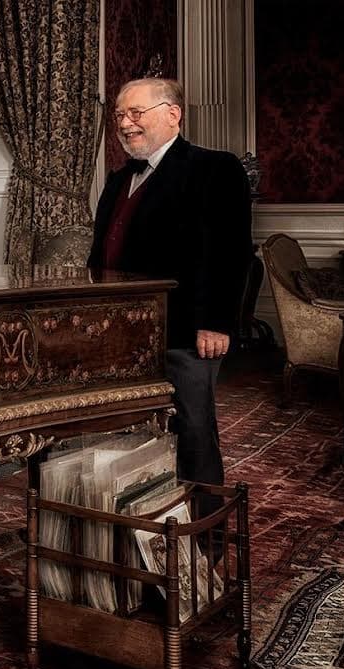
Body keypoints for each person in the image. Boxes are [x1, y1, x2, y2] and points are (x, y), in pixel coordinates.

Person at [87, 78, 252, 501]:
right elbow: (101, 254)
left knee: (193, 428)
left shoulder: (214, 168)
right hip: (119, 331)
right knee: (124, 434)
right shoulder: (118, 179)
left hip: (184, 330)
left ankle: (204, 537)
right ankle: (143, 523)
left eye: (135, 113)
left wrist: (216, 323)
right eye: (120, 115)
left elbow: (230, 253)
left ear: (172, 114)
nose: (125, 124)